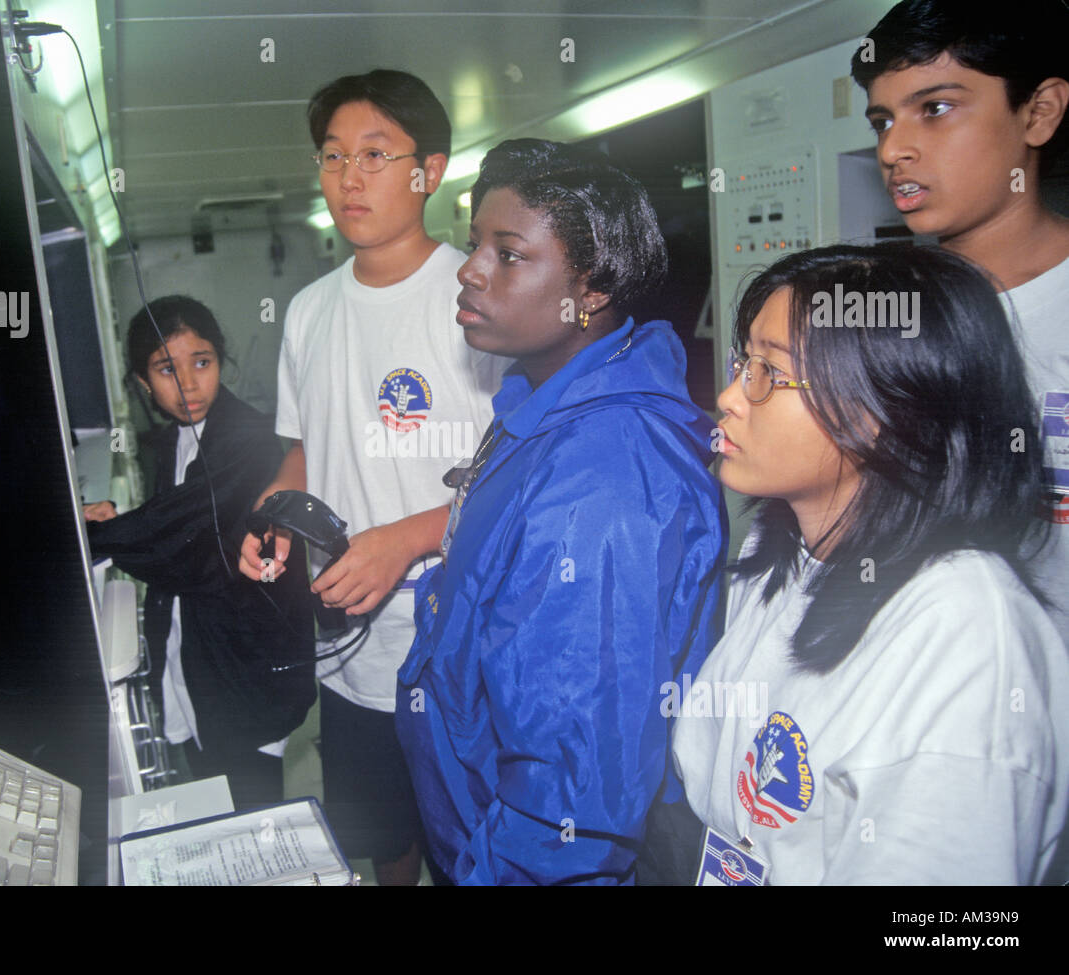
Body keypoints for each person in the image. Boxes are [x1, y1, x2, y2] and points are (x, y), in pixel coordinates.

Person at [672, 244, 1069, 884]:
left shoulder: (964, 635)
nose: (729, 395)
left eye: (768, 373)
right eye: (743, 360)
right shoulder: (780, 552)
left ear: (886, 412)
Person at [394, 139, 727, 885]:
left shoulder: (605, 478)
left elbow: (572, 803)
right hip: (476, 826)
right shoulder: (537, 407)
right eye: (476, 241)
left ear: (594, 286)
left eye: (508, 254)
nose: (470, 268)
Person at [237, 70, 504, 884]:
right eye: (332, 156)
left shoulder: (481, 300)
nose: (349, 177)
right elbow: (305, 448)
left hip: (457, 644)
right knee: (381, 836)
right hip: (348, 648)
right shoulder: (311, 310)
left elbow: (517, 479)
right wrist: (276, 508)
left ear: (430, 170)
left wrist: (408, 540)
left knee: (470, 841)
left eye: (376, 155)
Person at [851, 0, 1069, 647]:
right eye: (883, 120)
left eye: (936, 108)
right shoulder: (875, 322)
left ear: (1039, 111)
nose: (893, 148)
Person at [86, 295, 315, 809]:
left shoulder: (249, 436)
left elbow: (184, 529)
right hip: (196, 655)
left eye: (202, 363)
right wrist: (118, 523)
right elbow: (172, 517)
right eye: (167, 369)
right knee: (211, 794)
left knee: (254, 811)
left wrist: (95, 537)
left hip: (244, 666)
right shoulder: (170, 441)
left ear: (220, 361)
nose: (188, 384)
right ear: (144, 382)